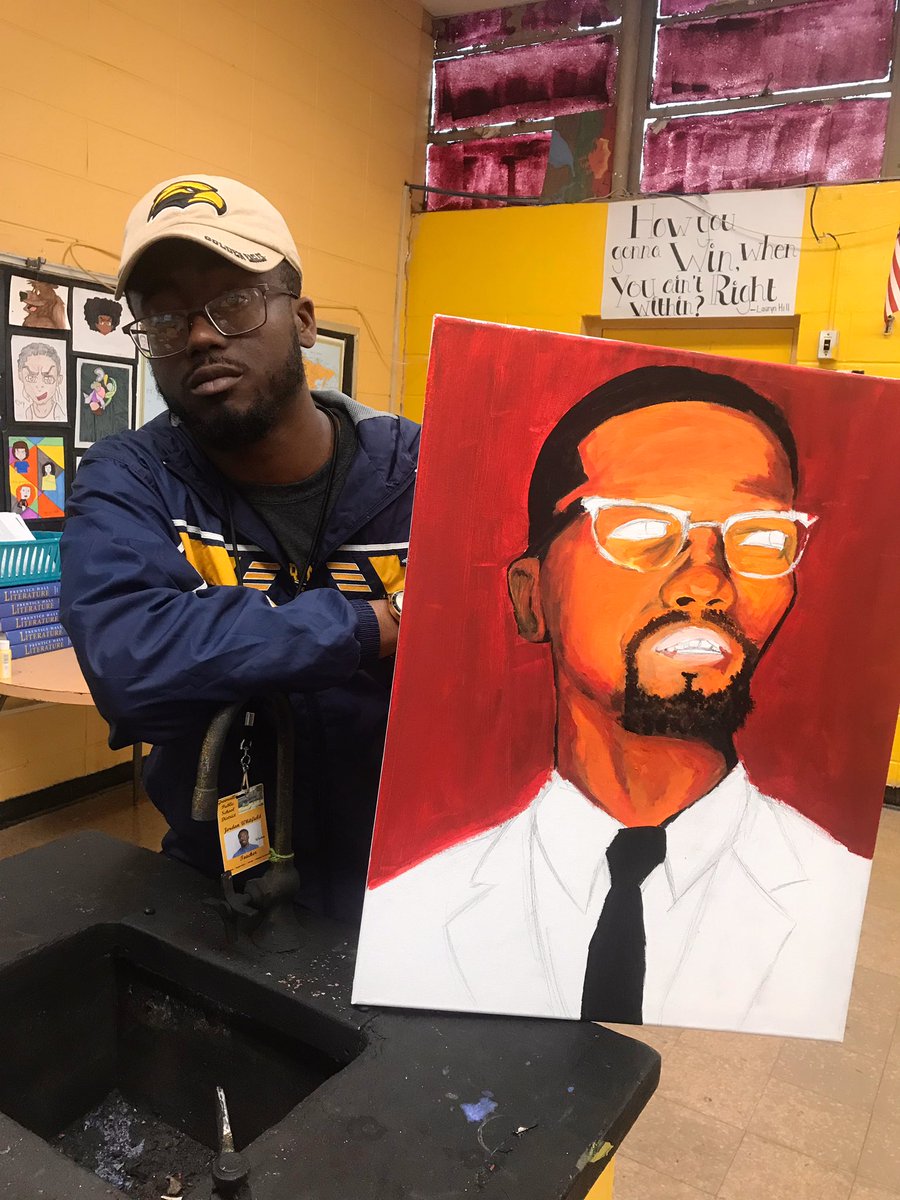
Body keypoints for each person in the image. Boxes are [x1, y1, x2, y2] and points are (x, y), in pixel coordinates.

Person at [354, 366, 870, 1038]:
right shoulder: (413, 909)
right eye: (640, 530)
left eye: (761, 539)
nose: (706, 582)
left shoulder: (834, 892)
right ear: (531, 597)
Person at [61, 176, 419, 922]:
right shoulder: (131, 479)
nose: (199, 336)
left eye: (233, 302)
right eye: (164, 319)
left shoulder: (428, 473)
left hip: (413, 890)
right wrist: (371, 625)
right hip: (216, 889)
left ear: (304, 320)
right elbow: (130, 663)